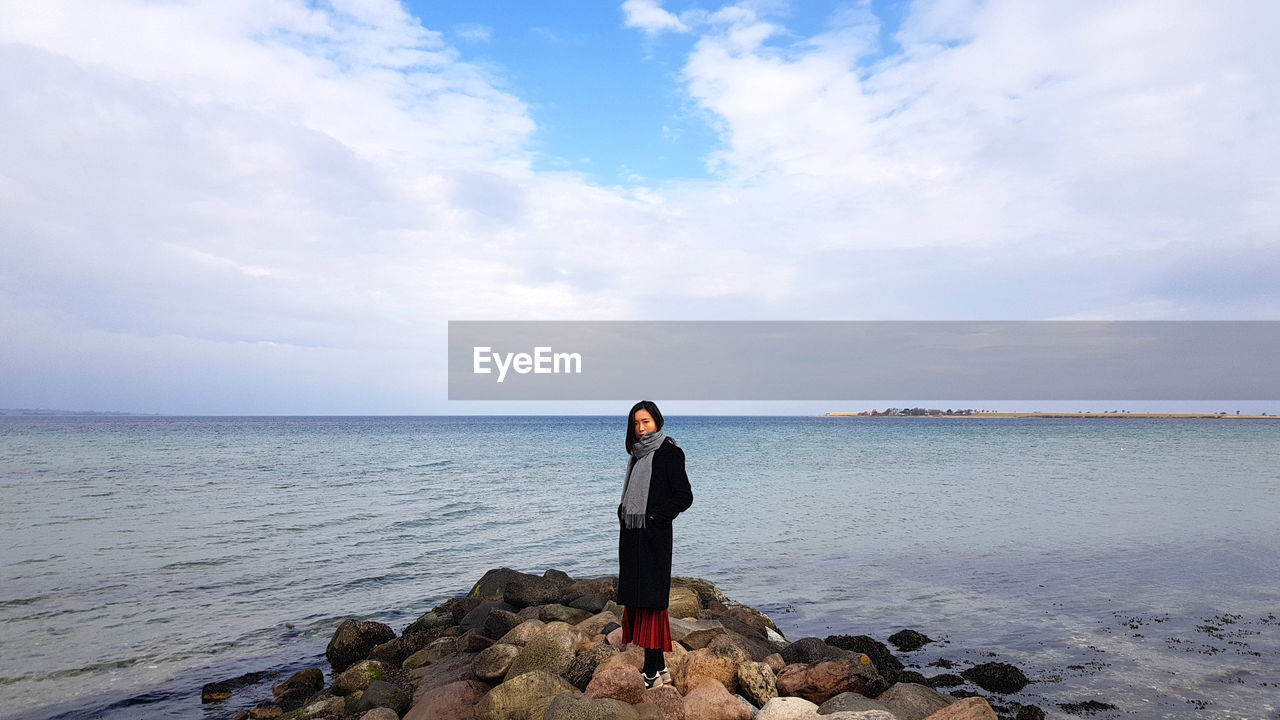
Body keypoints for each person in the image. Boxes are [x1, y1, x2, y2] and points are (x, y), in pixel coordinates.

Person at [616, 400, 693, 689]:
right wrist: (623, 510)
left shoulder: (669, 454)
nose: (640, 428)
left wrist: (654, 516)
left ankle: (649, 672)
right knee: (638, 601)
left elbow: (684, 496)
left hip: (654, 538)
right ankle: (660, 669)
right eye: (636, 423)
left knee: (651, 603)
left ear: (657, 422)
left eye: (645, 422)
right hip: (632, 538)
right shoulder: (636, 456)